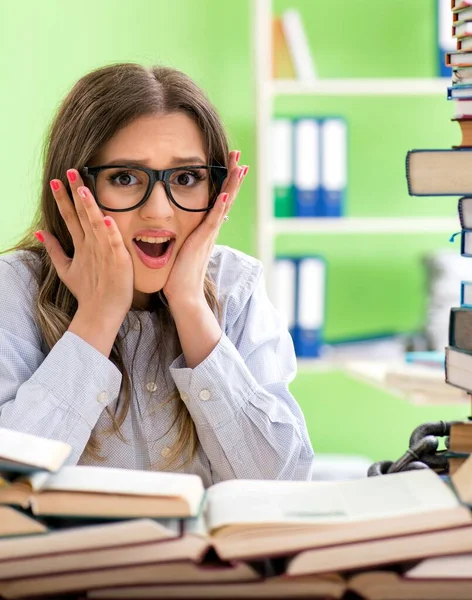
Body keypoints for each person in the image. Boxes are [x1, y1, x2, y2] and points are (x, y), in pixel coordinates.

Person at [0, 63, 314, 485]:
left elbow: (284, 485)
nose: (159, 211)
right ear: (75, 189)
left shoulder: (236, 287)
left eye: (186, 178)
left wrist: (191, 307)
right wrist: (97, 319)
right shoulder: (14, 290)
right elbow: (8, 484)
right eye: (126, 178)